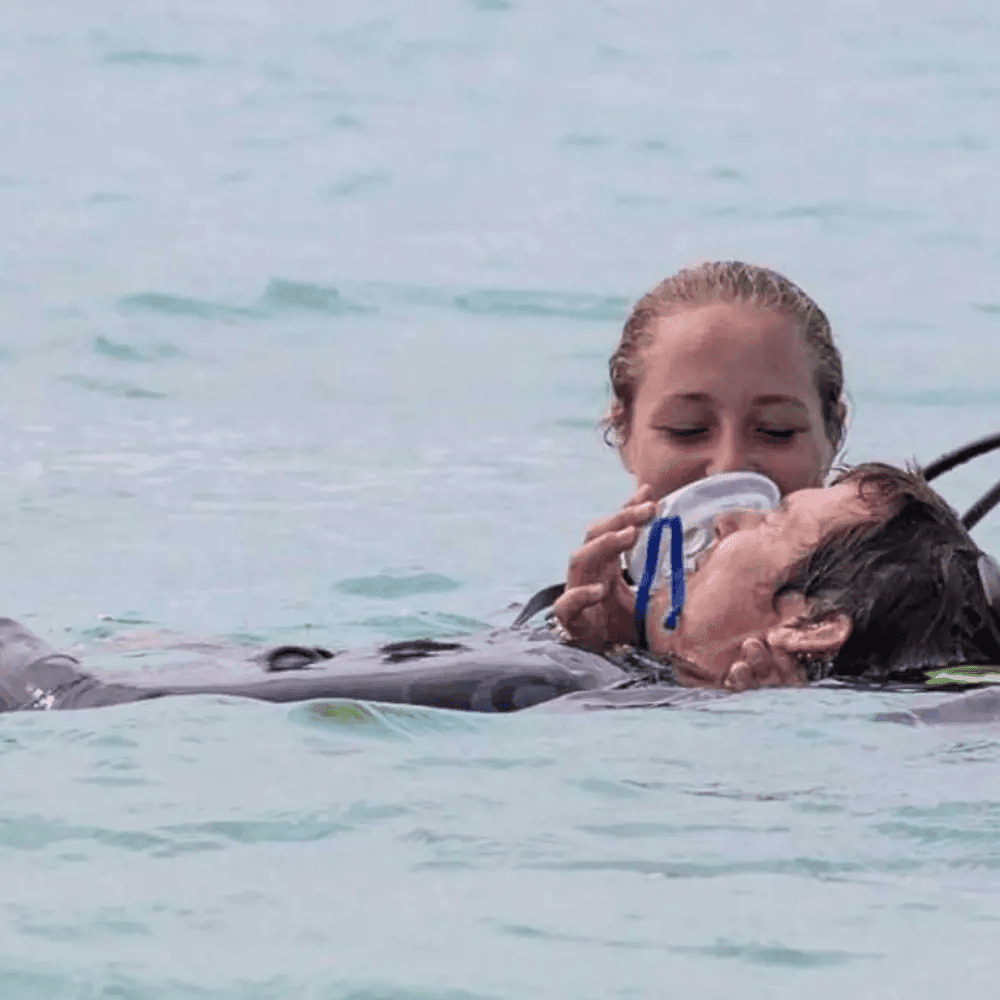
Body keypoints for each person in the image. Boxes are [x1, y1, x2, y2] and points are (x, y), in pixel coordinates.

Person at [0, 463, 996, 715]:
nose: (729, 512)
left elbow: (89, 707)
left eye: (771, 522)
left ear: (813, 624)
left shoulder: (568, 691)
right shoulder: (587, 662)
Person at [544, 260, 850, 650]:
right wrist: (613, 648)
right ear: (623, 433)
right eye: (687, 430)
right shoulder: (571, 625)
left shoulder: (909, 623)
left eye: (777, 431)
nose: (729, 466)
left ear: (834, 434)